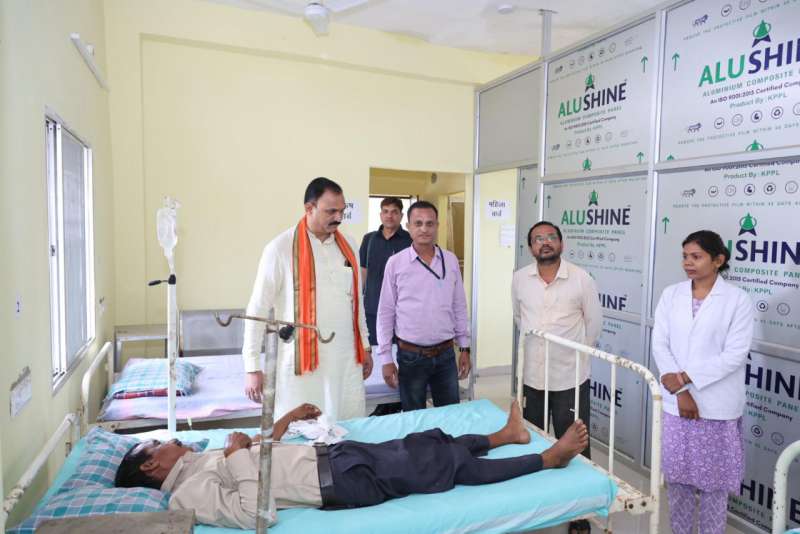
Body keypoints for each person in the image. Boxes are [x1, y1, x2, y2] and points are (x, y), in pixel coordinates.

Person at [115, 401, 589, 529]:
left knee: (426, 440)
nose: (171, 439)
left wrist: (288, 418)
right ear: (152, 467)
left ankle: (504, 436)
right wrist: (238, 455)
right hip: (336, 482)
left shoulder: (196, 459)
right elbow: (255, 513)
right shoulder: (185, 494)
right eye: (159, 443)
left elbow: (259, 450)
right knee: (443, 467)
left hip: (334, 458)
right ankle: (547, 459)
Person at [241, 177, 372, 421]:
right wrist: (252, 366)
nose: (338, 217)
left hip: (345, 359)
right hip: (303, 365)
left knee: (348, 426)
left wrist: (365, 346)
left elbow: (357, 302)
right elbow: (257, 309)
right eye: (331, 211)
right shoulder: (280, 248)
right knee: (301, 431)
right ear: (309, 208)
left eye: (341, 211)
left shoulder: (349, 245)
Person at [652, 230, 753, 534]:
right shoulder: (671, 294)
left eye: (696, 256)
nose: (688, 262)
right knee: (678, 482)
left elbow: (734, 354)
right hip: (677, 405)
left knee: (714, 487)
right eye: (685, 256)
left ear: (718, 260)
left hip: (717, 406)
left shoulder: (737, 300)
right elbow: (660, 344)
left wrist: (684, 377)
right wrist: (681, 390)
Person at [511, 220, 601, 534]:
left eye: (551, 237)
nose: (545, 242)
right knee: (532, 441)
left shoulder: (580, 278)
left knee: (575, 444)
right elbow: (519, 318)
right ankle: (539, 503)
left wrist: (576, 359)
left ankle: (581, 513)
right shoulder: (520, 279)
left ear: (561, 244)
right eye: (538, 238)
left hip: (569, 378)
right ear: (530, 247)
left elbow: (593, 325)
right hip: (532, 377)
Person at [376, 200, 471, 411]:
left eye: (430, 223)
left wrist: (464, 347)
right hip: (410, 356)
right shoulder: (396, 263)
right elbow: (385, 312)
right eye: (418, 223)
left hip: (446, 354)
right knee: (415, 419)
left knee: (450, 416)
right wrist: (386, 358)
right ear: (408, 226)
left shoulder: (450, 260)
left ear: (437, 226)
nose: (424, 229)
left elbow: (459, 305)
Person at [359, 197, 412, 415]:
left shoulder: (409, 240)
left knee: (400, 357)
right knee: (378, 356)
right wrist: (357, 302)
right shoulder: (369, 239)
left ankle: (397, 404)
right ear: (380, 214)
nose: (389, 215)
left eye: (394, 211)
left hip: (401, 313)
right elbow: (363, 272)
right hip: (372, 309)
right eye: (385, 211)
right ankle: (383, 405)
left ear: (401, 215)